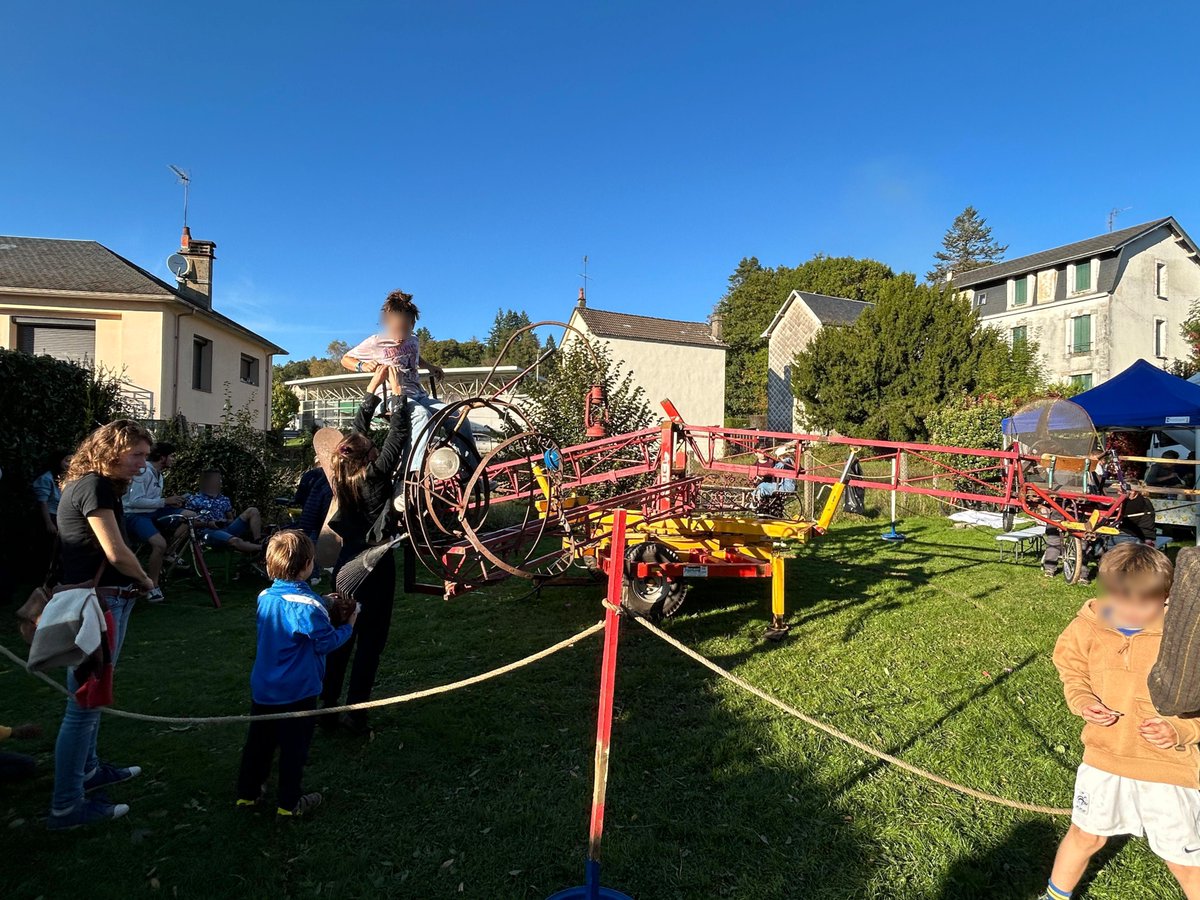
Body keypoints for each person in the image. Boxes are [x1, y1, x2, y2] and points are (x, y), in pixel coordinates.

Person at [1040, 543, 1200, 899]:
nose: (1129, 611)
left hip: (1167, 767)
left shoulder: (1185, 641)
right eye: (1120, 600)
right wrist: (1082, 700)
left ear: (1167, 597)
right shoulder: (1087, 626)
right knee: (1085, 835)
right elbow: (1071, 669)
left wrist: (1181, 729)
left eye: (1143, 603)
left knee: (1184, 859)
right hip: (1104, 758)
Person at [48, 420, 156, 830]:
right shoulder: (93, 487)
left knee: (92, 700)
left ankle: (88, 772)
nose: (142, 465)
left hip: (103, 600)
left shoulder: (92, 485)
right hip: (100, 602)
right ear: (111, 450)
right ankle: (66, 806)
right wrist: (146, 581)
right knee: (84, 705)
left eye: (145, 456)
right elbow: (117, 552)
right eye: (137, 456)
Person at [236, 531, 355, 818]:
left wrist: (322, 601)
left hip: (264, 689)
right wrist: (349, 624)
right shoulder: (309, 607)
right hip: (298, 692)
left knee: (259, 744)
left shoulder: (265, 597)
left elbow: (293, 604)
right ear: (308, 565)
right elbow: (326, 643)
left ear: (269, 566)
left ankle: (248, 795)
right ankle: (289, 804)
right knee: (294, 749)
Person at [320, 366, 410, 736]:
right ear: (370, 456)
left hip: (345, 567)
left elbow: (358, 434)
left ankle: (325, 712)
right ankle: (357, 714)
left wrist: (372, 391)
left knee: (341, 641)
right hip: (375, 567)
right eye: (374, 449)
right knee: (371, 642)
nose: (378, 449)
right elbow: (399, 432)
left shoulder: (340, 470)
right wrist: (398, 390)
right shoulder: (376, 476)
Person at [340, 290, 474, 468]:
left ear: (412, 324)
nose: (400, 334)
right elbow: (345, 359)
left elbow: (416, 358)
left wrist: (430, 367)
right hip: (389, 398)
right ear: (388, 323)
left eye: (405, 328)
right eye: (396, 328)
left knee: (458, 416)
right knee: (420, 415)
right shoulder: (375, 342)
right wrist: (362, 366)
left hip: (418, 394)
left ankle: (470, 472)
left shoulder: (414, 341)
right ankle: (411, 474)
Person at [125, 441, 188, 602]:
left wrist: (170, 502)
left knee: (191, 516)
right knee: (159, 544)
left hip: (152, 512)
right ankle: (152, 586)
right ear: (162, 457)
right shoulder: (143, 472)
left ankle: (169, 553)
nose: (174, 459)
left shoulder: (159, 474)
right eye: (172, 456)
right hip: (135, 515)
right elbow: (134, 501)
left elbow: (155, 500)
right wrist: (164, 501)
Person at [185, 469, 263, 554]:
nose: (220, 481)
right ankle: (263, 548)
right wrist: (208, 523)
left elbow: (231, 519)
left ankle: (258, 541)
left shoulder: (224, 499)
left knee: (253, 510)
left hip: (226, 528)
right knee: (235, 541)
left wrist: (224, 521)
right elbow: (189, 523)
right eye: (217, 479)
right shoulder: (194, 500)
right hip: (208, 532)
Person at [294, 456, 333, 547]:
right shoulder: (331, 478)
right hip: (322, 524)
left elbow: (298, 498)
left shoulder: (309, 475)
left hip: (309, 523)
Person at [32, 449, 71, 538]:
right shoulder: (46, 478)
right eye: (67, 461)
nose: (69, 464)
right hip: (49, 516)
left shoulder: (65, 477)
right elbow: (43, 502)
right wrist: (49, 523)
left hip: (60, 516)